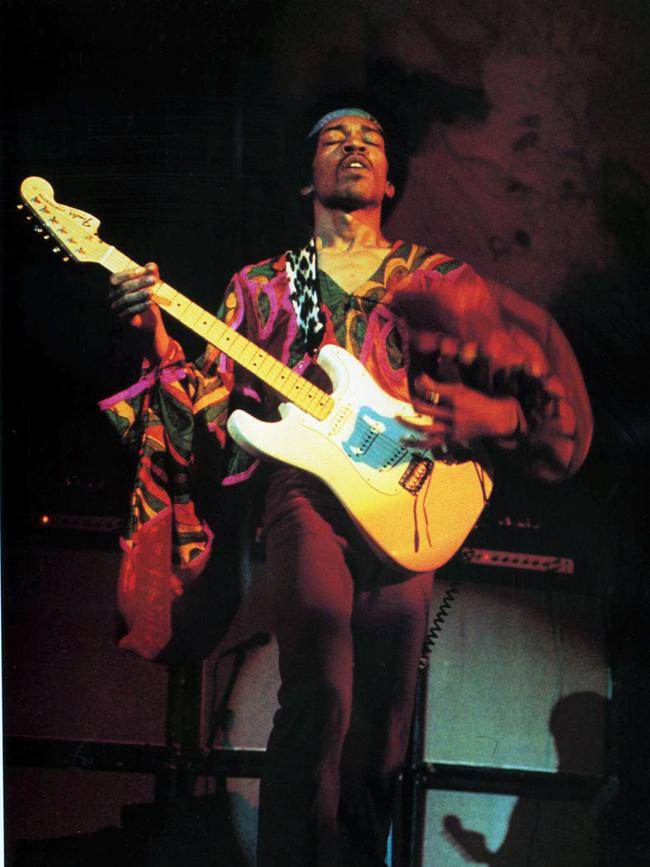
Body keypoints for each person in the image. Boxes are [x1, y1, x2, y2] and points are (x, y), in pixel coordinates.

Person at [103, 101, 593, 866]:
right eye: (335, 137)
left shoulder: (436, 279)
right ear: (309, 178)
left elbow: (515, 388)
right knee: (318, 697)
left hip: (409, 504)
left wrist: (482, 417)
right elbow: (206, 400)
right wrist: (155, 333)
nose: (354, 145)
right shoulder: (261, 286)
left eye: (371, 138)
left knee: (382, 734)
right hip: (305, 500)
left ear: (390, 177)